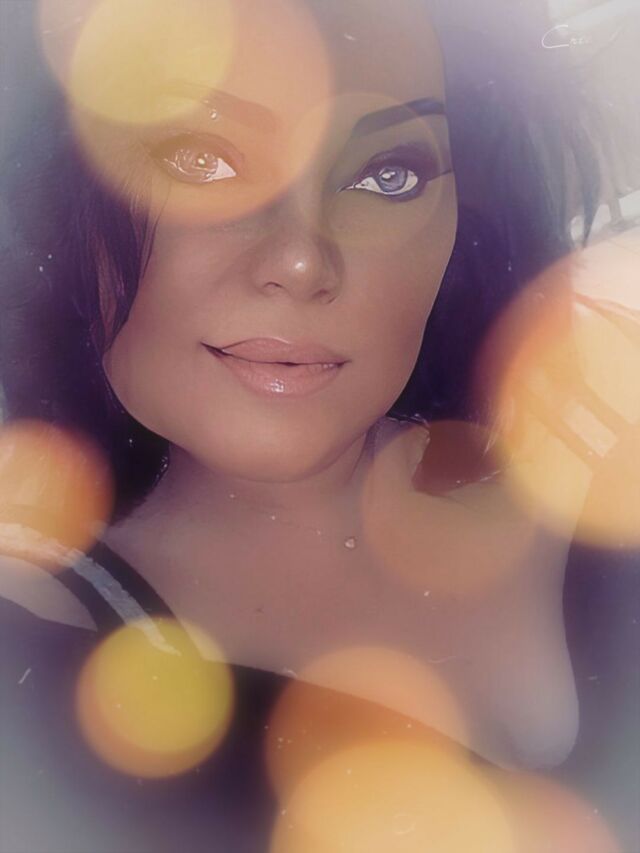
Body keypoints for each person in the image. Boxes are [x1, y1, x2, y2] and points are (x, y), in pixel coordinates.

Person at [0, 0, 637, 850]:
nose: (302, 259)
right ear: (59, 191)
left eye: (389, 175)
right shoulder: (31, 663)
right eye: (200, 157)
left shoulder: (598, 454)